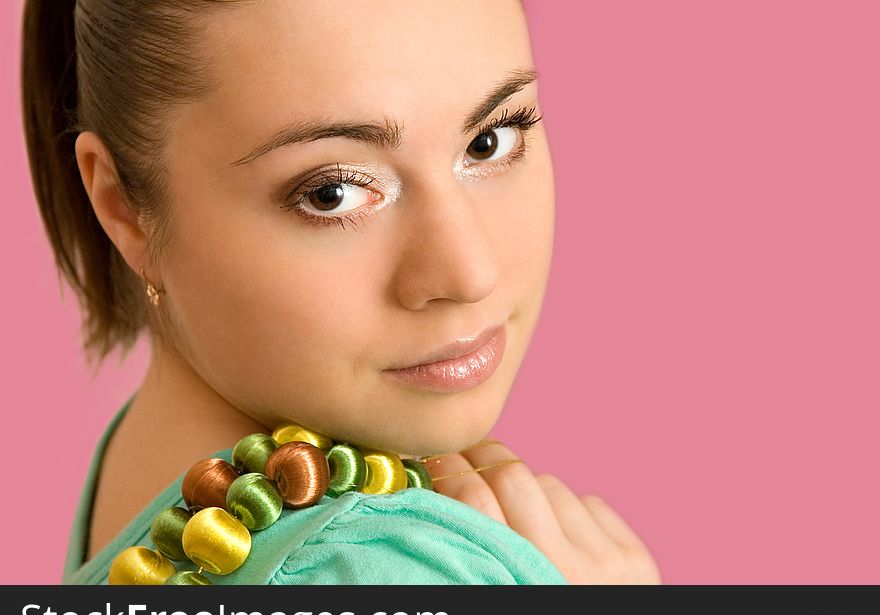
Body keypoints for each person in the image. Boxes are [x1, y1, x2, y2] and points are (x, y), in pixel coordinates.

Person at [22, 0, 661, 585]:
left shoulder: (161, 482)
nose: (469, 273)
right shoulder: (392, 574)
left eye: (490, 140)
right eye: (333, 191)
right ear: (124, 208)